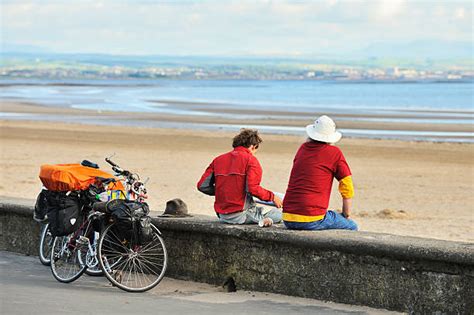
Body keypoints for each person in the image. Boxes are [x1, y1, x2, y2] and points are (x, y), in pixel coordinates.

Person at [282, 115, 358, 231]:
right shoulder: (334, 153)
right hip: (312, 218)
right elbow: (347, 184)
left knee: (331, 216)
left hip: (288, 217)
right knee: (352, 226)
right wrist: (346, 214)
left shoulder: (302, 148)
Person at [197, 129, 282, 226]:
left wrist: (224, 191)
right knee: (279, 215)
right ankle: (265, 221)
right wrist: (272, 197)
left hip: (222, 215)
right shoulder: (251, 160)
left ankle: (262, 218)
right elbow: (252, 189)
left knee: (258, 210)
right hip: (241, 215)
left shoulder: (218, 160)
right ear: (252, 146)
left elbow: (202, 186)